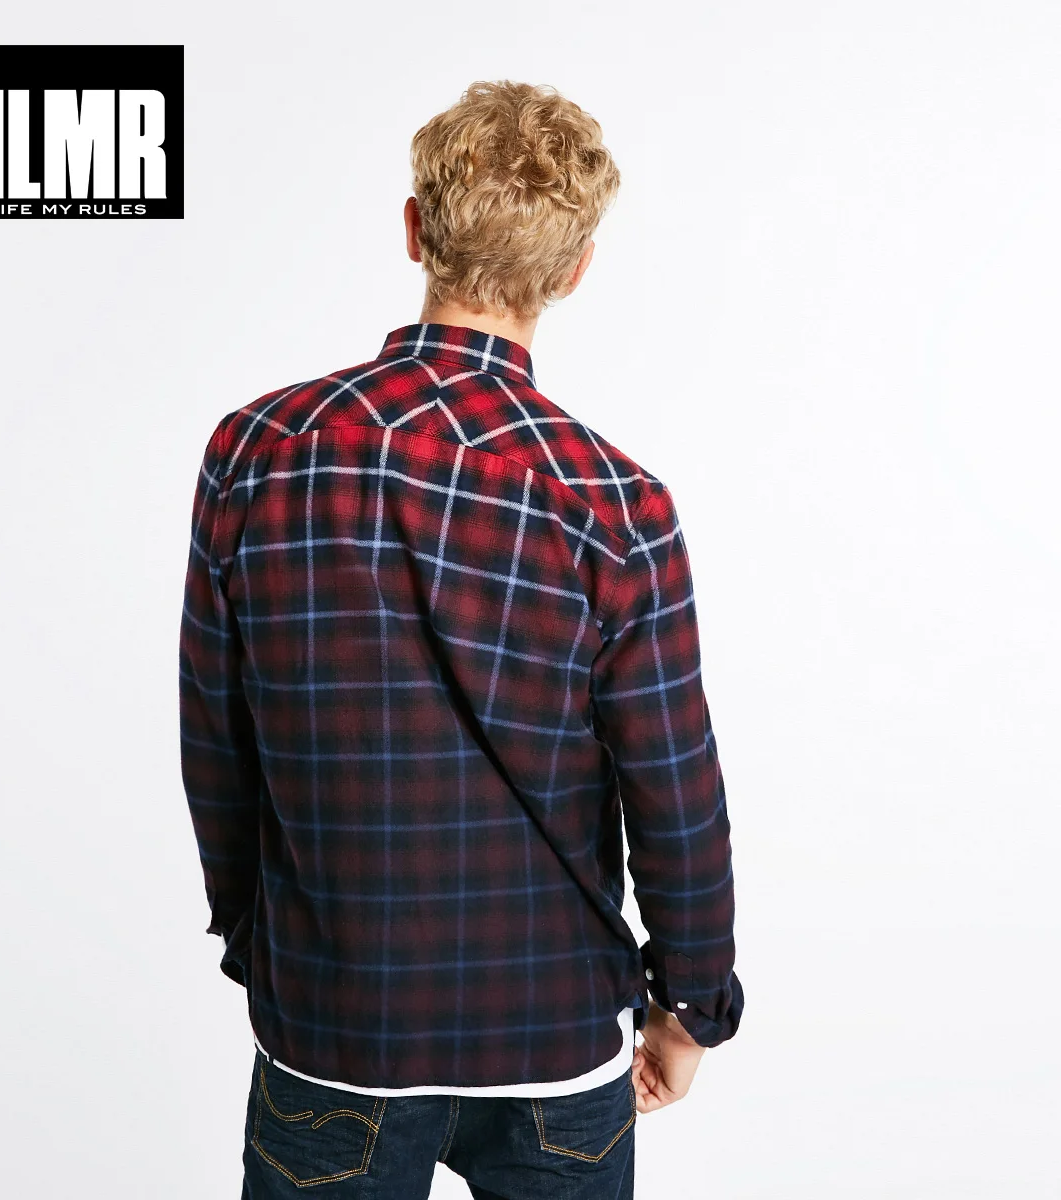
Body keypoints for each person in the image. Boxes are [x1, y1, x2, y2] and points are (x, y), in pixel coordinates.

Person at [179, 79, 743, 1200]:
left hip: (333, 1012)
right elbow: (674, 788)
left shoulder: (255, 450)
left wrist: (264, 940)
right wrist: (691, 1005)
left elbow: (217, 739)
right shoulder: (615, 504)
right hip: (551, 1027)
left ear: (414, 229)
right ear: (576, 270)